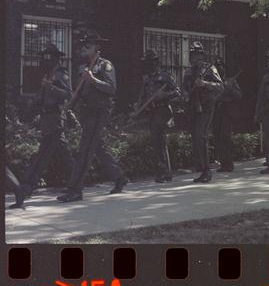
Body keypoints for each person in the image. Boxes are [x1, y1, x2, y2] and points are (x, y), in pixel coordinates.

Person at [57, 33, 128, 203]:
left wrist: (93, 79)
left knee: (85, 150)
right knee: (96, 147)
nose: (83, 48)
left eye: (87, 46)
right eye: (82, 46)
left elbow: (112, 89)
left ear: (97, 48)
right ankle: (119, 177)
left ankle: (75, 190)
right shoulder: (82, 68)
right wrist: (69, 107)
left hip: (99, 112)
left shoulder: (105, 66)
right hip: (87, 113)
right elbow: (79, 93)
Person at [20, 43, 74, 200]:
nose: (45, 60)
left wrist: (51, 87)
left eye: (48, 57)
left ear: (56, 59)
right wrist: (29, 112)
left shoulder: (60, 74)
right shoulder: (48, 75)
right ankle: (76, 183)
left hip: (55, 119)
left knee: (43, 154)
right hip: (47, 119)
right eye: (44, 57)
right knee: (63, 155)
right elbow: (41, 97)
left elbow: (68, 95)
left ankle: (27, 186)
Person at [132, 49, 181, 183]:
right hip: (152, 111)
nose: (148, 65)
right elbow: (143, 95)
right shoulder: (147, 78)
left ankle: (165, 171)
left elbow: (177, 92)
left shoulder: (165, 76)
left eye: (150, 62)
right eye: (146, 62)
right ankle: (163, 171)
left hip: (163, 110)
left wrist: (164, 95)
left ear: (156, 62)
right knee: (156, 141)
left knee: (159, 138)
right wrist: (138, 105)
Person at [183, 42, 224, 183]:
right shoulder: (188, 72)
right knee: (195, 139)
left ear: (201, 55)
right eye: (192, 54)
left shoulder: (209, 68)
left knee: (201, 136)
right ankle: (201, 170)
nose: (194, 57)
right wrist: (186, 94)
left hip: (206, 106)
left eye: (196, 54)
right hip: (193, 107)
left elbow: (220, 86)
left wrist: (205, 84)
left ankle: (207, 171)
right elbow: (185, 90)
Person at [212, 58, 242, 172]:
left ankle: (228, 163)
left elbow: (239, 95)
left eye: (221, 68)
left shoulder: (230, 81)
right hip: (216, 111)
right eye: (217, 68)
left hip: (227, 111)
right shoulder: (212, 82)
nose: (219, 70)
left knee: (225, 136)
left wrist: (230, 89)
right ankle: (222, 162)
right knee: (217, 136)